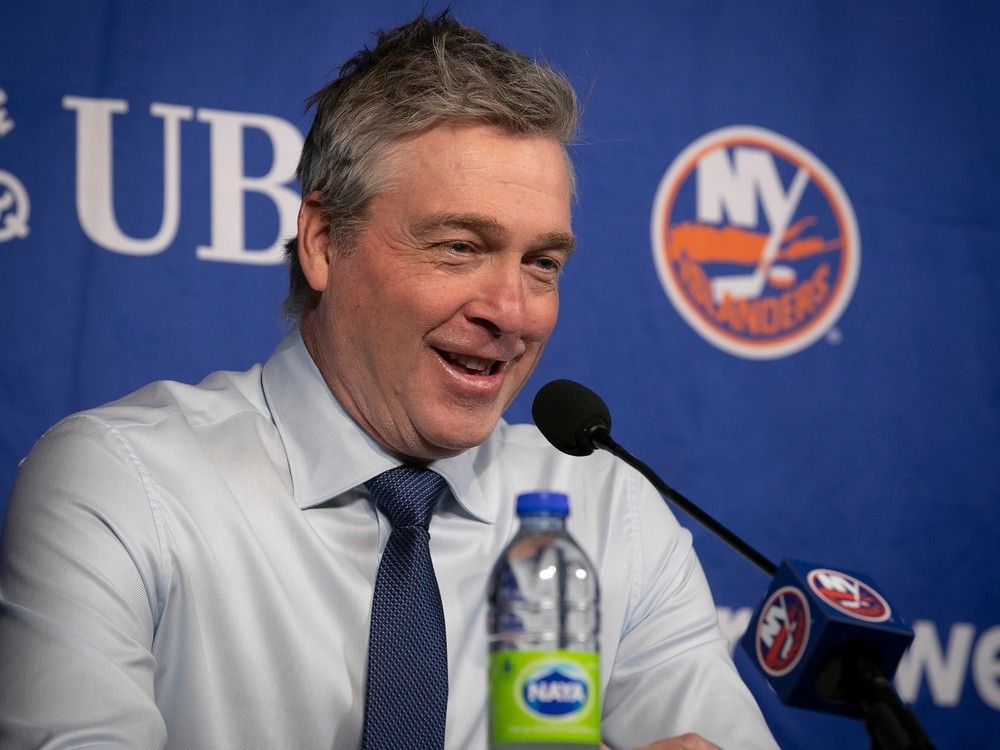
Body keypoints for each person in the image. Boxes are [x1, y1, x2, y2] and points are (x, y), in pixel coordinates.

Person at [0, 12, 778, 750]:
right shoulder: (124, 482)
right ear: (323, 242)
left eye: (542, 263)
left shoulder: (611, 513)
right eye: (459, 247)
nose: (513, 312)